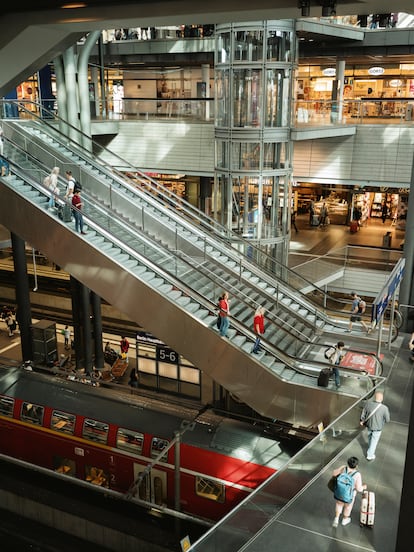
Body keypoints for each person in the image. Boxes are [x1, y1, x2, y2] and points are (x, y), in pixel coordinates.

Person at [332, 456, 366, 527]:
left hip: (339, 492)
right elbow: (359, 488)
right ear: (356, 465)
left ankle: (336, 518)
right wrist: (364, 487)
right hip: (350, 495)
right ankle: (345, 520)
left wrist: (341, 467)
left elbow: (334, 473)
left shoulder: (344, 469)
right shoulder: (357, 474)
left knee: (339, 504)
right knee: (348, 507)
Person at [360, 391, 390, 461]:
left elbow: (363, 414)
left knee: (370, 437)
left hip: (369, 425)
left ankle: (370, 448)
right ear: (382, 399)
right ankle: (370, 455)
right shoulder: (384, 408)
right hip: (378, 428)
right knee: (374, 441)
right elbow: (388, 419)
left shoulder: (368, 404)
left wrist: (362, 420)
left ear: (375, 397)